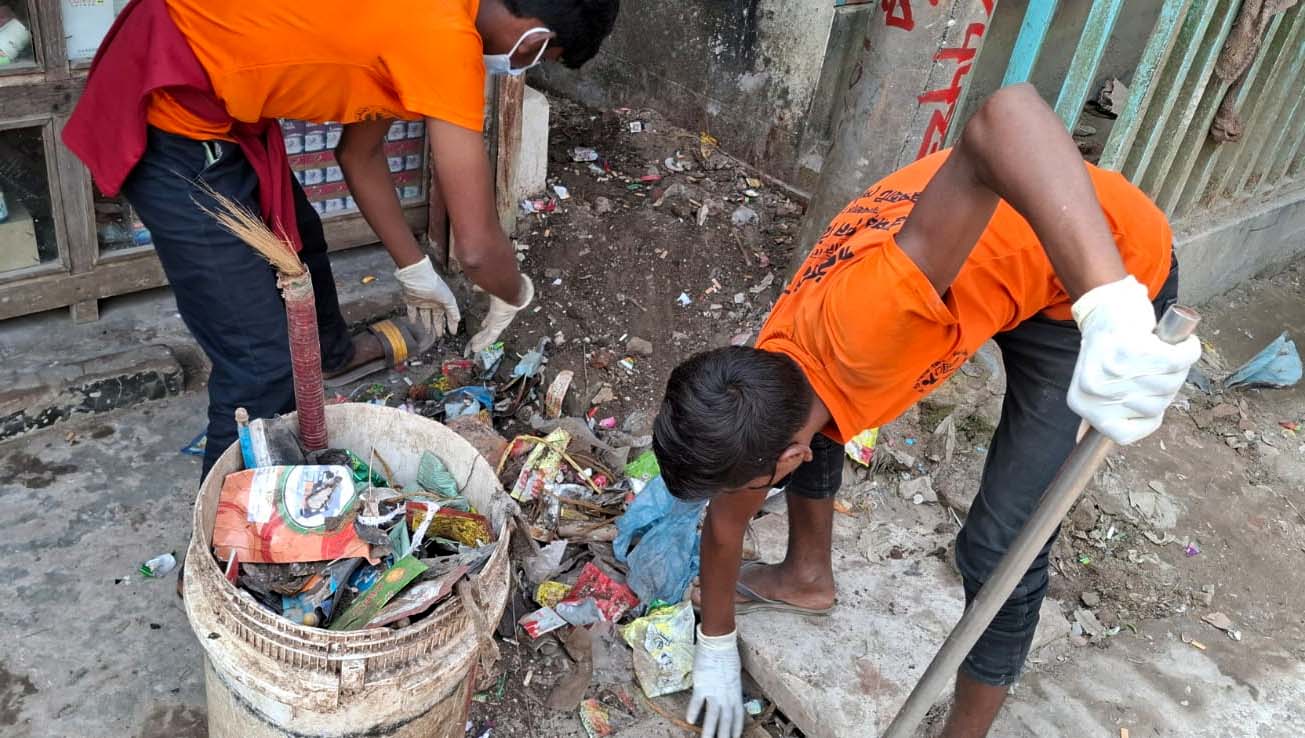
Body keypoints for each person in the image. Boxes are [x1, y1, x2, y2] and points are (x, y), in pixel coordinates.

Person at [651, 84, 1201, 738]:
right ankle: (805, 575)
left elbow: (1008, 115)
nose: (734, 502)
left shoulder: (870, 321)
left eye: (750, 483)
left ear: (787, 461)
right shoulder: (770, 373)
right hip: (994, 265)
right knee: (817, 419)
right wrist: (715, 646)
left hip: (1094, 265)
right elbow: (724, 520)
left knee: (1000, 550)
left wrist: (1109, 307)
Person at [63, 0, 619, 476]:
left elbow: (359, 154)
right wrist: (513, 292)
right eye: (536, 59)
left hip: (224, 109)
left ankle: (331, 354)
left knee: (300, 237)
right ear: (534, 39)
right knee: (260, 366)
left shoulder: (441, 21)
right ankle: (223, 545)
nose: (517, 68)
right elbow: (476, 247)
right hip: (175, 112)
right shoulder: (444, 38)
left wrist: (414, 269)